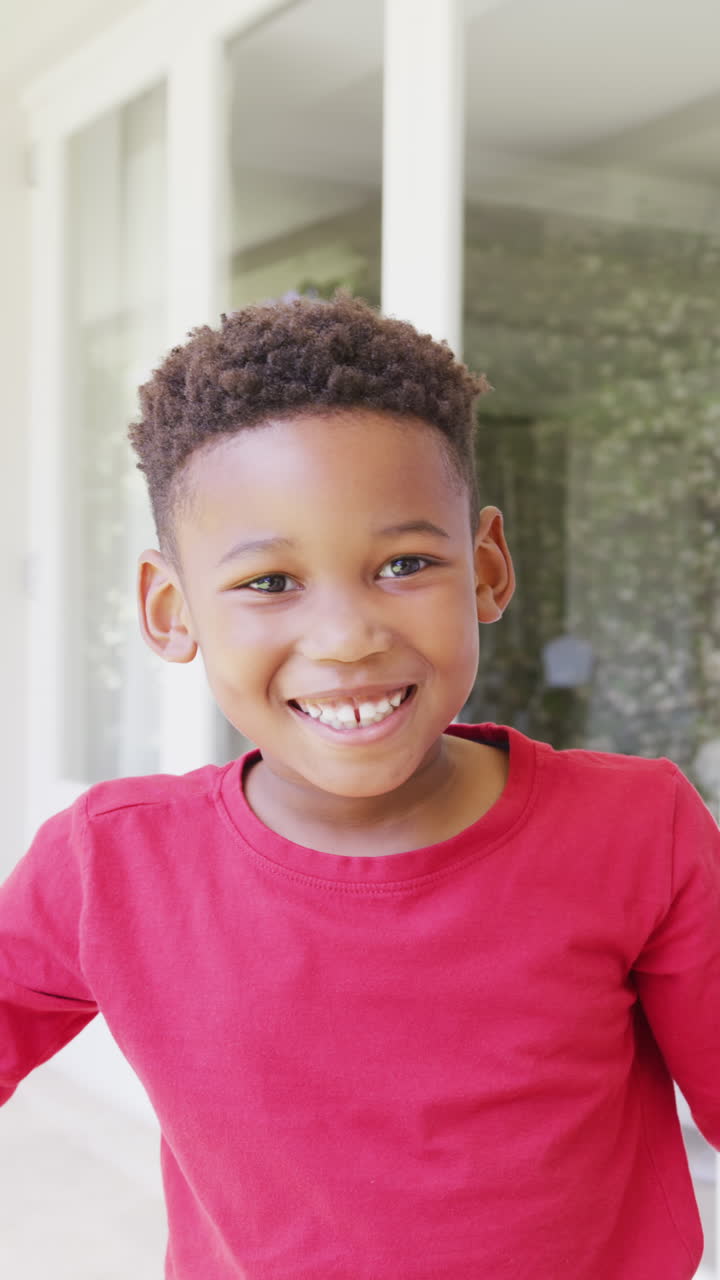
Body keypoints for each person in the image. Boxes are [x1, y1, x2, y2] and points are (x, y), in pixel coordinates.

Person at [1, 294, 719, 1279]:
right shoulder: (108, 865)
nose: (346, 638)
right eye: (269, 582)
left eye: (404, 564)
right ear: (171, 609)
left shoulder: (640, 829)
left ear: (486, 569)